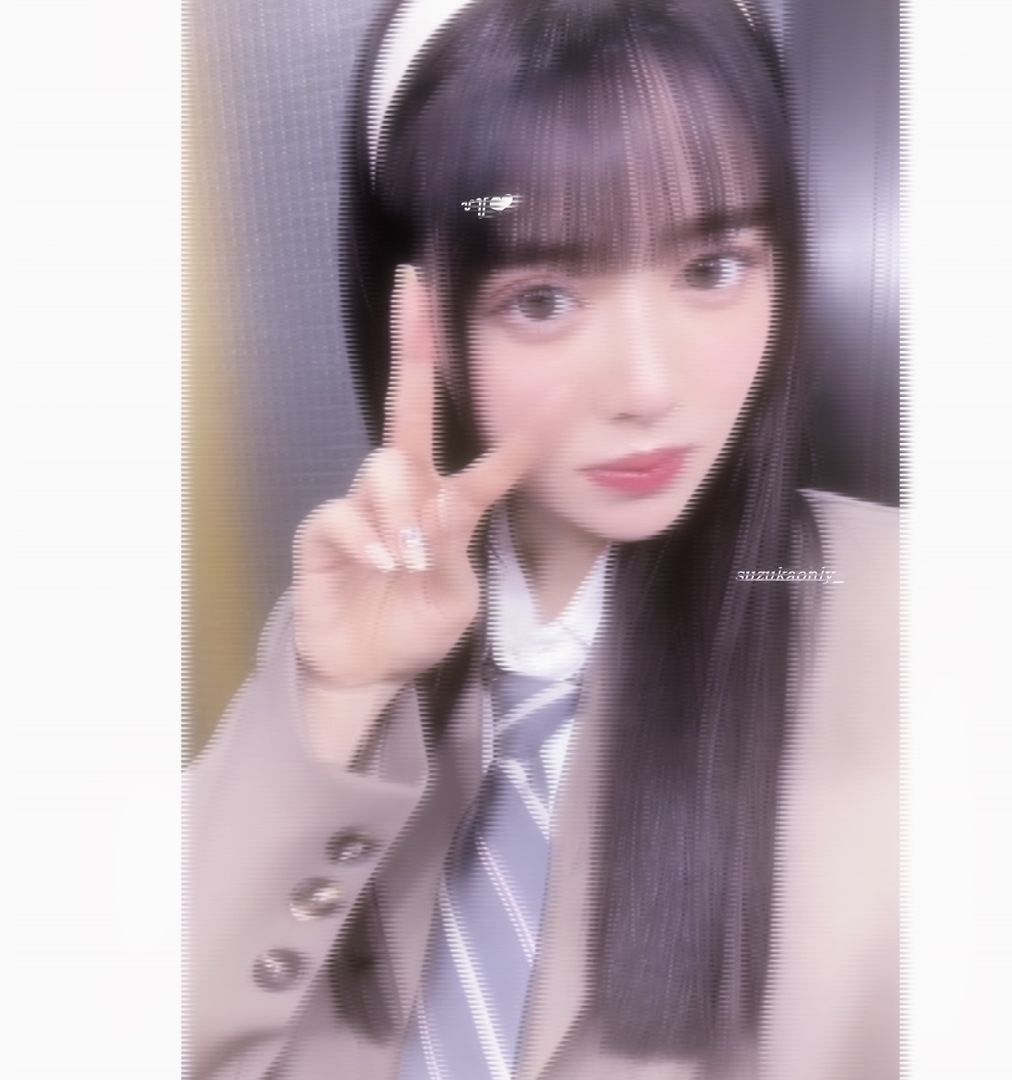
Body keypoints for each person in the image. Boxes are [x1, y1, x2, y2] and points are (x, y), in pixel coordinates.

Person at [186, 0, 899, 1078]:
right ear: (414, 309)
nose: (649, 388)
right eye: (543, 297)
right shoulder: (347, 626)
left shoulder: (923, 623)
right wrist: (333, 701)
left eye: (712, 268)